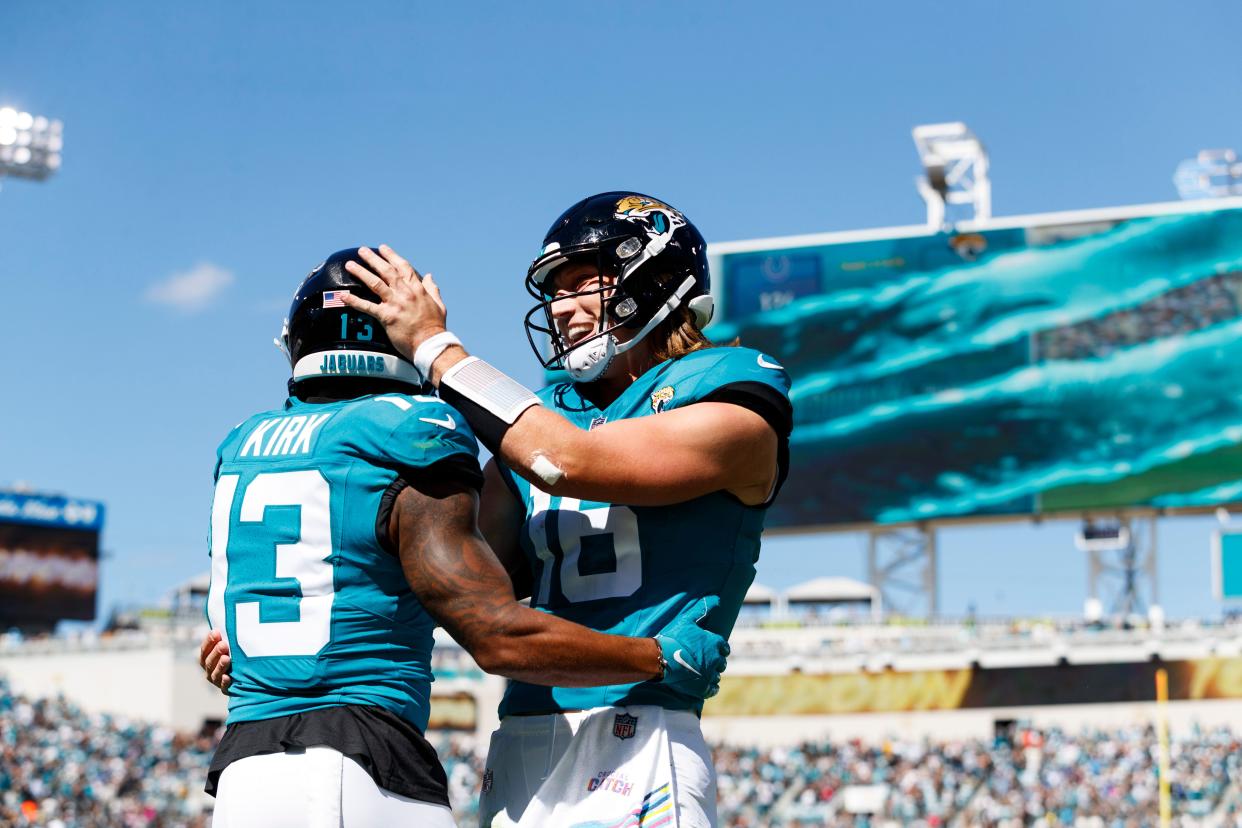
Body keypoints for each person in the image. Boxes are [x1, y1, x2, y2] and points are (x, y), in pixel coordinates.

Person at [201, 247, 729, 828]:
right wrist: (657, 656)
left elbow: (338, 582)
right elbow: (497, 633)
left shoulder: (243, 444)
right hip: (356, 757)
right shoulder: (408, 431)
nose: (563, 307)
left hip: (244, 763)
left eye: (585, 284)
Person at [339, 192, 794, 828]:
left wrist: (436, 348)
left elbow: (566, 461)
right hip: (524, 729)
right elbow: (448, 567)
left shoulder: (732, 393)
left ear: (658, 278)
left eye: (586, 282)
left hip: (640, 725)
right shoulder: (549, 412)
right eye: (556, 289)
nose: (564, 306)